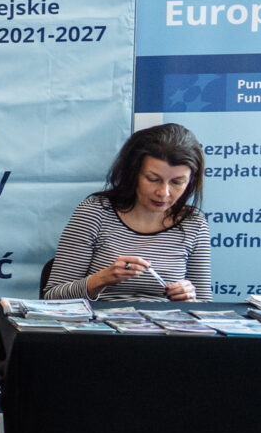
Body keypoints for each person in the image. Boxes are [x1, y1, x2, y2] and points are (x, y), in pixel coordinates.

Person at [42, 123, 209, 302]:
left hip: (166, 320)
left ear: (190, 181)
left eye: (177, 182)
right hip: (99, 318)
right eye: (153, 179)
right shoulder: (95, 212)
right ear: (132, 173)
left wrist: (189, 299)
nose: (163, 192)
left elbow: (206, 306)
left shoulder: (194, 223)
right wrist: (101, 279)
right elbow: (52, 296)